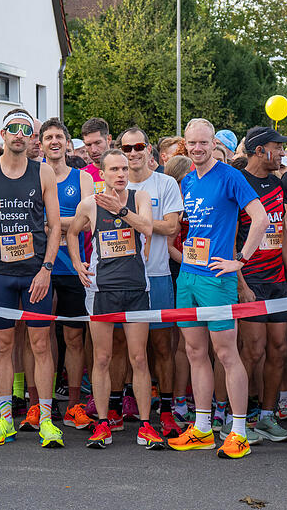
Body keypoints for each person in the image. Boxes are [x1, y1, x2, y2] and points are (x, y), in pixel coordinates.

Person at [166, 118, 267, 460]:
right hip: (189, 276)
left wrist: (240, 259)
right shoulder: (187, 180)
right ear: (186, 144)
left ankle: (238, 432)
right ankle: (203, 428)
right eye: (191, 143)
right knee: (195, 353)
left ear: (213, 144)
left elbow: (261, 217)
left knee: (226, 354)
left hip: (217, 279)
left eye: (203, 143)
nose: (197, 149)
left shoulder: (229, 175)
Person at [0, 109, 62, 447]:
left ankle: (47, 419)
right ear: (4, 134)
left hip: (35, 273)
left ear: (32, 138)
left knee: (40, 344)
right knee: (4, 345)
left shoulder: (44, 172)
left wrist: (46, 269)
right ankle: (6, 418)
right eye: (14, 129)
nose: (20, 135)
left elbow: (54, 228)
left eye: (27, 130)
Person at [66, 148, 161, 449]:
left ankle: (146, 426)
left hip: (135, 288)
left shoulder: (139, 198)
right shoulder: (90, 204)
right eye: (114, 170)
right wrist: (78, 262)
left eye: (124, 169)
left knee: (139, 358)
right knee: (103, 358)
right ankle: (103, 423)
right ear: (103, 173)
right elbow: (71, 232)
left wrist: (120, 210)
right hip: (101, 290)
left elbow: (147, 228)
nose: (120, 174)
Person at [234, 127, 287, 443]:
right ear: (260, 150)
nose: (283, 154)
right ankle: (242, 416)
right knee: (254, 351)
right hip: (251, 281)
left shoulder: (277, 185)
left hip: (278, 281)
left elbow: (283, 232)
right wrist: (240, 282)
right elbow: (225, 237)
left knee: (279, 347)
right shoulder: (238, 183)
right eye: (278, 148)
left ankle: (266, 415)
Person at [119, 127, 185, 438]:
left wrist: (134, 220)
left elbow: (171, 226)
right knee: (123, 348)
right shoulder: (113, 184)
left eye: (138, 146)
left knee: (162, 348)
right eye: (126, 148)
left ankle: (168, 411)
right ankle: (120, 406)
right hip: (120, 278)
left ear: (149, 150)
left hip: (157, 274)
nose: (133, 153)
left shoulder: (166, 183)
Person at [41, 118, 95, 431]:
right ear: (41, 143)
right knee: (41, 338)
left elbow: (87, 221)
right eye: (48, 137)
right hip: (43, 268)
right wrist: (67, 221)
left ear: (68, 143)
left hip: (77, 266)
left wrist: (53, 223)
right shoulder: (34, 175)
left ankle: (75, 404)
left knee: (75, 338)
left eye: (59, 136)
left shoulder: (82, 178)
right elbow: (36, 220)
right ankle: (41, 405)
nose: (54, 142)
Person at [81, 117, 111, 193]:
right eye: (88, 145)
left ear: (108, 139)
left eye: (98, 143)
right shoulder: (81, 175)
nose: (93, 150)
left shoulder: (126, 169)